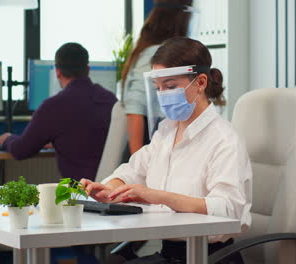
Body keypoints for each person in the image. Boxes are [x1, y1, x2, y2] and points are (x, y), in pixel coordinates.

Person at [81, 37, 252, 264]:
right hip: (170, 255)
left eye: (170, 86)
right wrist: (109, 189)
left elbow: (227, 210)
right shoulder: (166, 130)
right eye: (158, 88)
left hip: (210, 257)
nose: (163, 94)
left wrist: (155, 195)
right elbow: (133, 171)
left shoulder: (224, 140)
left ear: (201, 82)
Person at [0, 42, 117, 181]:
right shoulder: (110, 99)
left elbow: (21, 150)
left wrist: (7, 139)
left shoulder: (53, 106)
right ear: (88, 69)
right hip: (113, 188)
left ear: (58, 72)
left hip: (81, 192)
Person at [122, 0, 193, 156]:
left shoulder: (153, 51)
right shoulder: (155, 54)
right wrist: (138, 162)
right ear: (179, 18)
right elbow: (135, 108)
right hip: (146, 147)